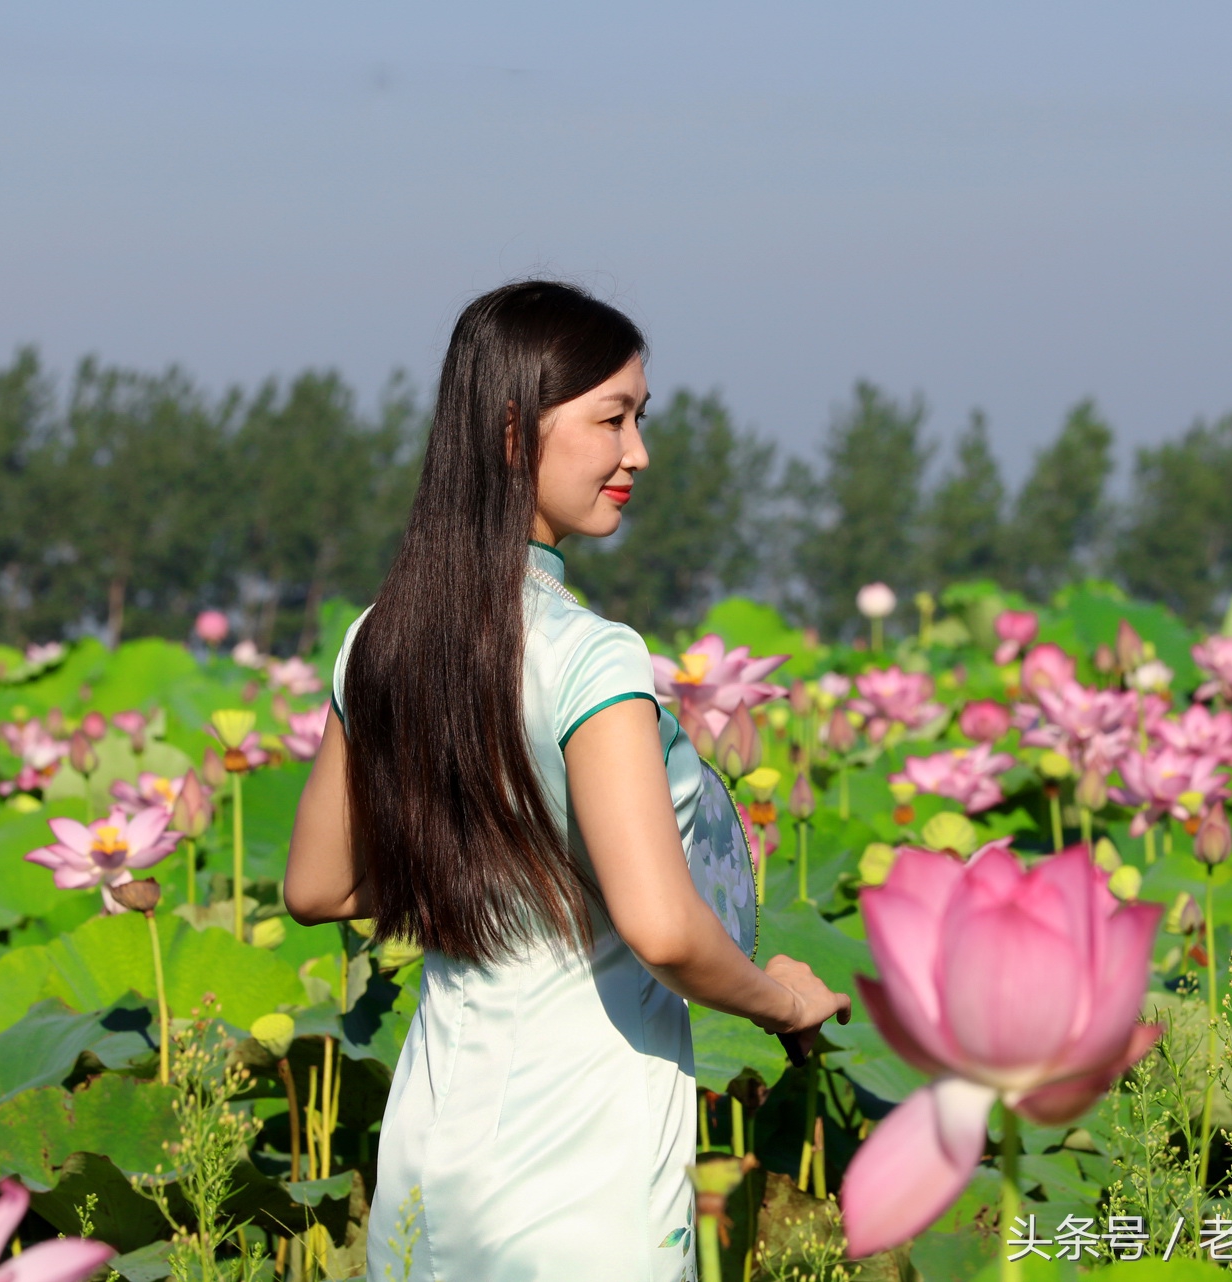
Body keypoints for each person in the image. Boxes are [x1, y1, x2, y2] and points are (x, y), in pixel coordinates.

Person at [285, 280, 850, 1282]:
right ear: (513, 432)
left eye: (640, 419)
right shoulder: (593, 656)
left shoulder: (378, 639)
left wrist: (492, 854)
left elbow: (318, 887)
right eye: (612, 419)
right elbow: (664, 930)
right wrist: (779, 1001)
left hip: (430, 1147)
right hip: (581, 1157)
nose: (638, 454)